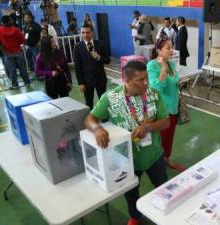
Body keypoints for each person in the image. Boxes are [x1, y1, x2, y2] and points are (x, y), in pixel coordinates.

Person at [84, 61, 169, 225]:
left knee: (163, 188)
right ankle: (135, 217)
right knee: (130, 193)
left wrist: (148, 127)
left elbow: (166, 122)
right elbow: (90, 119)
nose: (146, 83)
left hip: (154, 155)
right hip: (127, 159)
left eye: (147, 79)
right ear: (127, 80)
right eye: (141, 80)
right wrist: (97, 129)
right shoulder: (111, 97)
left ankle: (166, 215)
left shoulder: (154, 94)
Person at [147, 33, 185, 172]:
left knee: (169, 136)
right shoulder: (152, 65)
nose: (171, 50)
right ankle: (157, 163)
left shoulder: (172, 64)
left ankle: (167, 159)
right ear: (159, 50)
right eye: (168, 48)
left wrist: (179, 83)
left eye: (172, 47)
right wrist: (162, 68)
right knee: (159, 138)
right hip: (161, 110)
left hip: (173, 107)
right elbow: (157, 87)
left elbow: (174, 81)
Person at [74, 23, 110, 109]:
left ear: (92, 32)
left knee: (103, 101)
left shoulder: (100, 44)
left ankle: (105, 118)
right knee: (89, 102)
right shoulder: (78, 47)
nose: (85, 35)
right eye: (83, 32)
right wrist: (80, 83)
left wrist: (98, 57)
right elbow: (77, 67)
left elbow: (107, 60)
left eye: (88, 32)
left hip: (100, 79)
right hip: (87, 81)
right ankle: (90, 119)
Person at [0, 15, 30, 89]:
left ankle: (15, 85)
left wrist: (3, 49)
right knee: (23, 69)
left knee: (12, 70)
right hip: (18, 52)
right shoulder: (16, 30)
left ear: (2, 22)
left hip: (8, 53)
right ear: (10, 21)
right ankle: (27, 83)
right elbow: (23, 41)